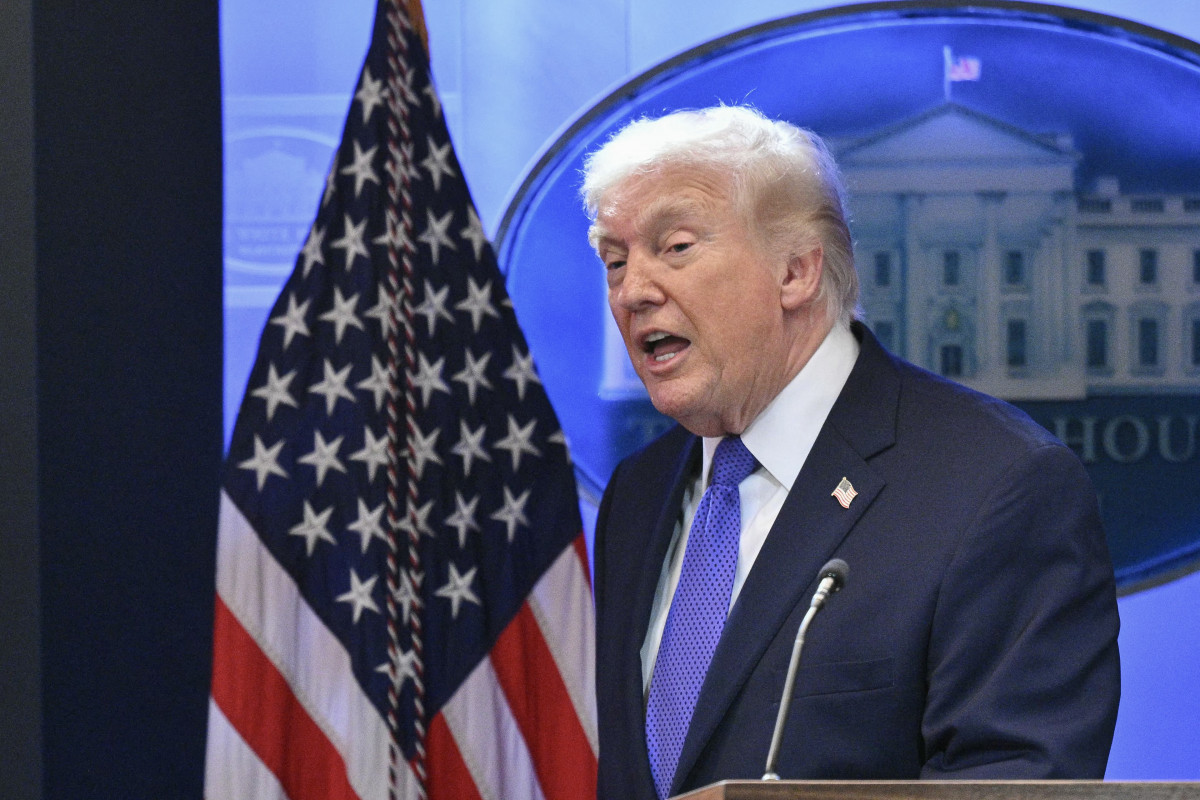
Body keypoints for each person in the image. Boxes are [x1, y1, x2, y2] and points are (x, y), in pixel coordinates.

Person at [581, 105, 1120, 800]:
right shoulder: (641, 491)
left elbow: (1012, 780)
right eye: (615, 260)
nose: (632, 292)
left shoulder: (998, 485)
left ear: (796, 272)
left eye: (675, 247)